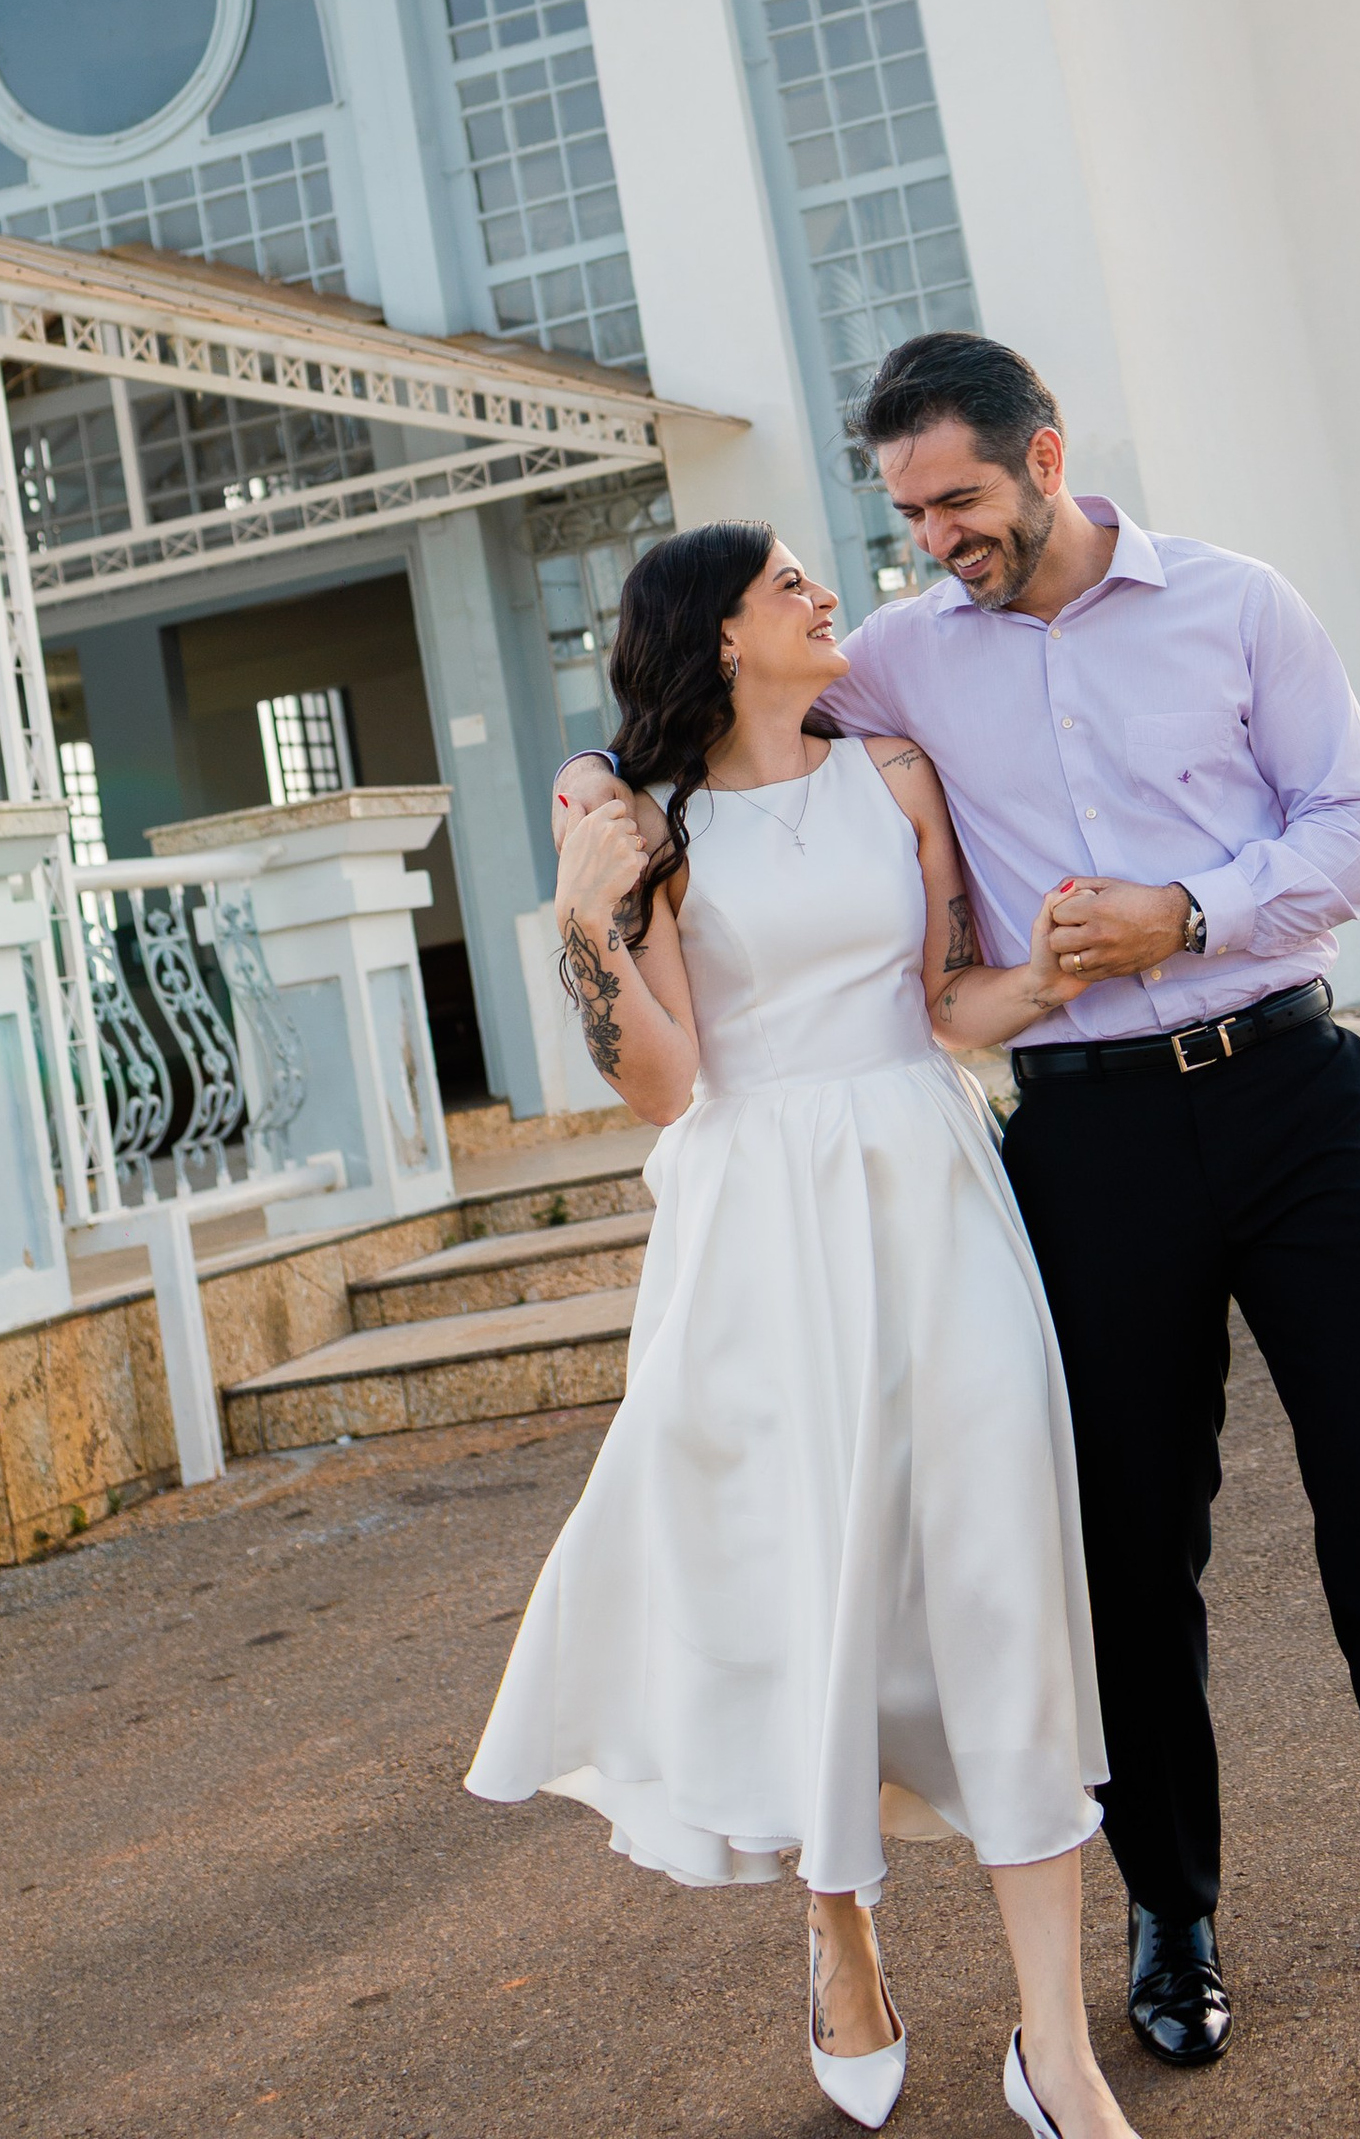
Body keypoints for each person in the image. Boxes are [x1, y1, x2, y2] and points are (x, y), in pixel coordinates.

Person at [556, 335, 1360, 2136]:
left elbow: (1358, 823)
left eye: (959, 503)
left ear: (1045, 457)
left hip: (1295, 1093)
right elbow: (690, 731)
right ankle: (1173, 1914)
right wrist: (591, 808)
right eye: (905, 514)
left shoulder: (1235, 603)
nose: (930, 544)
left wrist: (1190, 911)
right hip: (1089, 1141)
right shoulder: (896, 658)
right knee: (1129, 1561)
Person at [470, 516, 1148, 2139]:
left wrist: (1050, 977)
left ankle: (1053, 2048)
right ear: (717, 633)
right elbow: (663, 1080)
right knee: (798, 1578)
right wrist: (585, 920)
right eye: (790, 584)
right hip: (755, 1223)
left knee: (998, 1569)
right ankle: (838, 1930)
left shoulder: (895, 779)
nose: (825, 594)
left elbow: (937, 1003)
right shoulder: (645, 820)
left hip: (927, 1184)